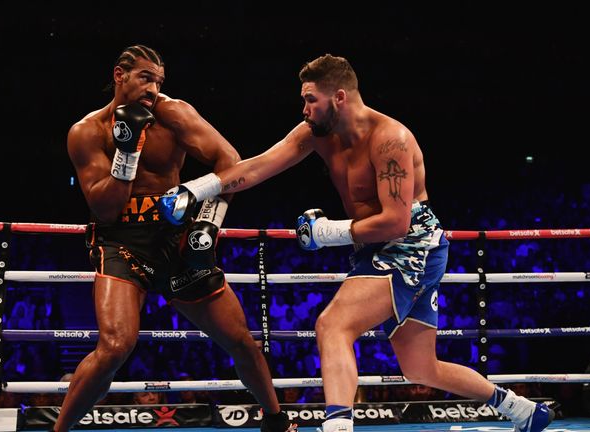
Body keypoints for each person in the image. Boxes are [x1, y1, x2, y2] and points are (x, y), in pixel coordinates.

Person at [159, 53, 554, 432]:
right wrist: (198, 188)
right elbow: (260, 165)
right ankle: (522, 410)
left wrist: (327, 232)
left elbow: (397, 222)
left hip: (411, 245)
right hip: (380, 246)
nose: (305, 109)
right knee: (420, 368)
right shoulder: (316, 134)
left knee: (332, 326)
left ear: (340, 97)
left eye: (311, 100)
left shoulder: (390, 139)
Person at [56, 44, 294, 432]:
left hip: (177, 239)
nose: (153, 89)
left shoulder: (173, 114)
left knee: (240, 340)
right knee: (115, 346)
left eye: (159, 81)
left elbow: (230, 162)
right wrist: (127, 150)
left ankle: (275, 420)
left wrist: (208, 219)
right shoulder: (87, 132)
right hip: (120, 242)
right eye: (145, 78)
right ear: (120, 76)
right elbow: (105, 210)